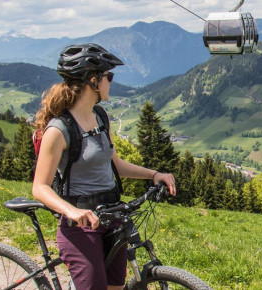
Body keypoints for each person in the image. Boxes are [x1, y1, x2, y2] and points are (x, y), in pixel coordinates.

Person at [32, 43, 176, 289]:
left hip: (112, 218)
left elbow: (115, 164)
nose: (111, 82)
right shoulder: (59, 130)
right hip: (81, 227)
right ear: (93, 80)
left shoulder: (100, 116)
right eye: (109, 76)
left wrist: (153, 175)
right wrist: (71, 211)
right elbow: (40, 187)